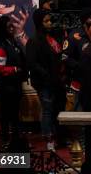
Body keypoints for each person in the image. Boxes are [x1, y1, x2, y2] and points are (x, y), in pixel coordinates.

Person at [26, 9, 67, 151]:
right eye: (46, 21)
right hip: (45, 82)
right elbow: (32, 63)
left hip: (57, 81)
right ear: (39, 23)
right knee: (48, 110)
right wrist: (47, 75)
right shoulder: (34, 40)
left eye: (50, 20)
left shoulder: (53, 38)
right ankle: (49, 138)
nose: (49, 23)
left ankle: (59, 137)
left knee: (57, 109)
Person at [0, 16, 27, 147]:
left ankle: (16, 140)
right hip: (6, 86)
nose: (12, 28)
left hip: (16, 85)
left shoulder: (13, 42)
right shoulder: (1, 47)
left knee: (15, 114)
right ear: (3, 29)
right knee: (6, 114)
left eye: (12, 25)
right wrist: (15, 69)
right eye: (9, 26)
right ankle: (6, 140)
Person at [62, 8, 91, 111]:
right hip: (80, 81)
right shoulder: (74, 36)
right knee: (80, 111)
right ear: (85, 19)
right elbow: (65, 57)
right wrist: (79, 66)